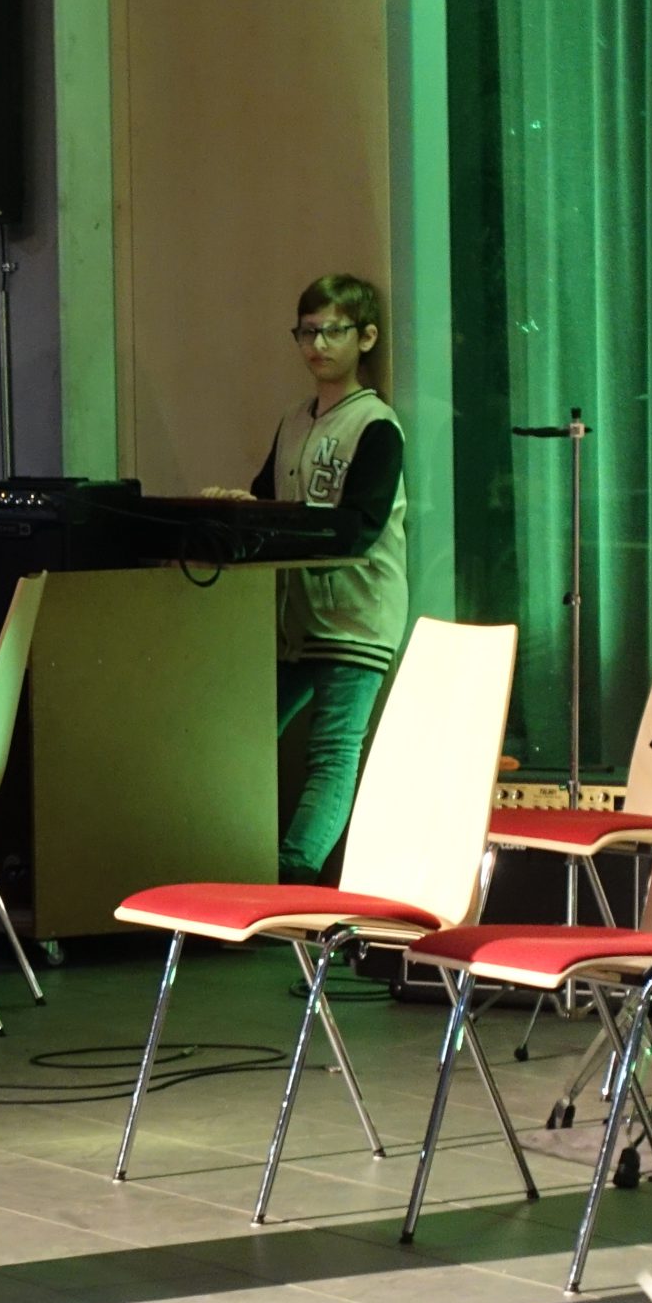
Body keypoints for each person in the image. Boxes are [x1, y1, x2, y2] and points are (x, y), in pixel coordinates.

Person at [250, 274, 405, 880]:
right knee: (248, 734)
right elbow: (267, 498)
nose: (317, 345)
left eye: (332, 331)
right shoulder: (294, 419)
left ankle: (295, 872)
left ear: (366, 337)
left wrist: (285, 525)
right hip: (296, 618)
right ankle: (248, 861)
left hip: (355, 614)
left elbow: (359, 526)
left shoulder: (376, 424)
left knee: (334, 751)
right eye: (307, 332)